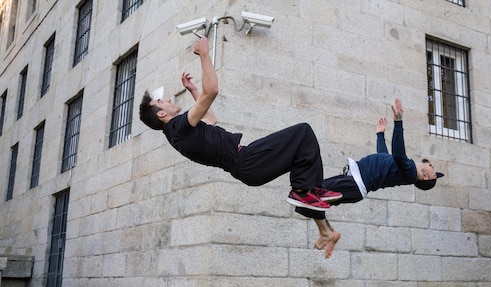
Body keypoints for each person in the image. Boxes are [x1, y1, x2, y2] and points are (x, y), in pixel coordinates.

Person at [139, 36, 341, 212]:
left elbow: (210, 119)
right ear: (162, 113)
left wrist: (193, 90)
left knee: (301, 144)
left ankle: (309, 190)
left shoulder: (179, 133)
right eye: (160, 102)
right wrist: (204, 55)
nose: (167, 99)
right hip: (247, 161)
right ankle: (302, 191)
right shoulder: (178, 128)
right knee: (303, 132)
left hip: (247, 164)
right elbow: (212, 91)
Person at [296, 98, 444, 258]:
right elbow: (384, 156)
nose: (433, 167)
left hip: (354, 184)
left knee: (308, 196)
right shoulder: (404, 168)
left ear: (424, 177)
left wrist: (398, 122)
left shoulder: (410, 173)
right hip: (352, 182)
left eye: (433, 172)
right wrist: (380, 135)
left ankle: (327, 233)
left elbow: (398, 153)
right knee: (308, 198)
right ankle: (329, 232)